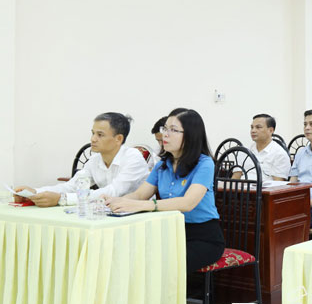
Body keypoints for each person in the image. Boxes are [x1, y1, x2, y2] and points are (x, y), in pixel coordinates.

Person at [105, 108, 225, 272]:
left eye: (173, 130)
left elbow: (187, 203)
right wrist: (119, 201)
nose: (165, 135)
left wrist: (142, 205)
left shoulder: (204, 163)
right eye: (165, 128)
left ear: (191, 135)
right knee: (131, 254)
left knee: (162, 263)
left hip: (203, 237)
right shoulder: (162, 164)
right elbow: (140, 194)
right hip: (169, 232)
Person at [15, 112, 149, 207]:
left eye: (100, 135)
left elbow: (114, 192)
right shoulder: (95, 160)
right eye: (93, 133)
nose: (93, 139)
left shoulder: (133, 157)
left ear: (118, 139)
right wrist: (35, 192)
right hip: (109, 211)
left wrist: (62, 199)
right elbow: (72, 186)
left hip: (137, 214)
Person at [245, 113, 290, 181]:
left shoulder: (279, 154)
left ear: (271, 130)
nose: (253, 131)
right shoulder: (245, 151)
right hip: (240, 187)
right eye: (252, 127)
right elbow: (235, 178)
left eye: (258, 127)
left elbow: (278, 184)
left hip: (263, 187)